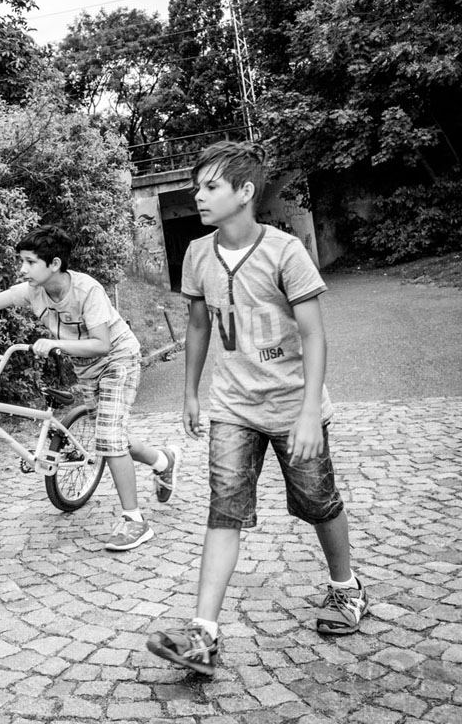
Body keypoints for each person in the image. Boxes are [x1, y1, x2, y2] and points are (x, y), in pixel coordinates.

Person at [146, 141, 368, 676]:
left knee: (319, 501)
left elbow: (314, 336)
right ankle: (203, 635)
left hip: (294, 404)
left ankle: (347, 588)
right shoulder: (198, 254)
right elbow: (198, 326)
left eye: (210, 186)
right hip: (233, 405)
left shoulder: (285, 251)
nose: (199, 196)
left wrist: (311, 410)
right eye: (197, 187)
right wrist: (191, 392)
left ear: (245, 193)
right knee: (224, 511)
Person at [0, 224, 181, 551]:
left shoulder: (88, 291)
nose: (22, 269)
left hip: (118, 360)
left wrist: (53, 342)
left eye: (30, 262)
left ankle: (134, 521)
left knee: (110, 438)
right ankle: (163, 461)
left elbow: (101, 344)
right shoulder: (33, 291)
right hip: (85, 368)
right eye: (22, 261)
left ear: (54, 264)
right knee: (113, 436)